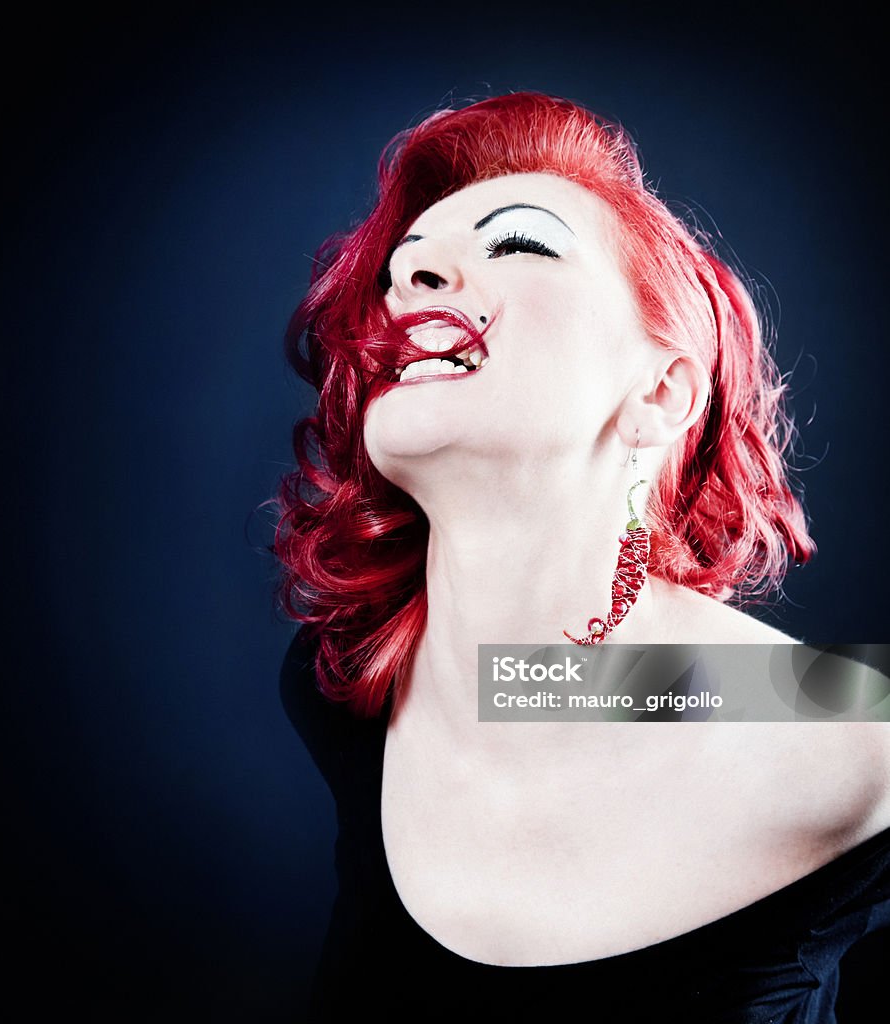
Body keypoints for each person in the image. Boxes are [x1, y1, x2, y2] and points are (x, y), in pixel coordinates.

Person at [271, 93, 890, 1021]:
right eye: (408, 268)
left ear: (661, 389)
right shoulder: (349, 682)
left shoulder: (844, 732)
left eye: (517, 242)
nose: (412, 277)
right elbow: (532, 682)